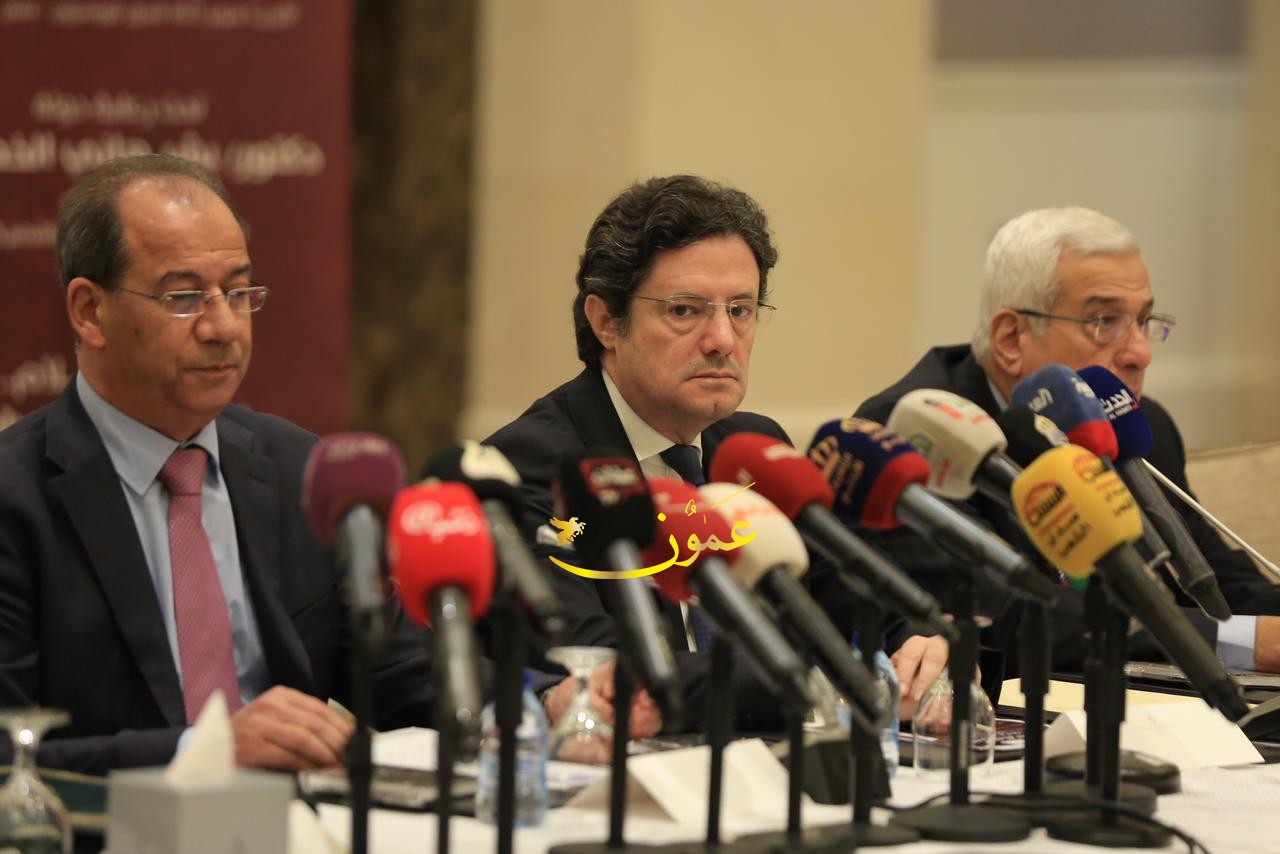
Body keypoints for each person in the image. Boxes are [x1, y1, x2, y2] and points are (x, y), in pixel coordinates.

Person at [0, 154, 651, 777]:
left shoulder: (299, 470)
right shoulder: (15, 494)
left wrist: (545, 701)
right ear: (90, 311)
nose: (224, 326)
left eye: (238, 291)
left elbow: (398, 668)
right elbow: (8, 753)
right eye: (184, 297)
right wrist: (208, 749)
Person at [485, 174, 947, 729]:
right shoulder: (530, 467)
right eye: (685, 310)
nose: (723, 340)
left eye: (741, 310)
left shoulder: (753, 453)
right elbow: (608, 674)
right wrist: (820, 678)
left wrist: (920, 646)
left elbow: (856, 601)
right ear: (606, 322)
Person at [856, 206, 1280, 680]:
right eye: (1105, 321)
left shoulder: (1137, 423)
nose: (1140, 352)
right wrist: (1246, 641)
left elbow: (1219, 580)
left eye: (1143, 320)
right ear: (1011, 338)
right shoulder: (920, 433)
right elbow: (1009, 616)